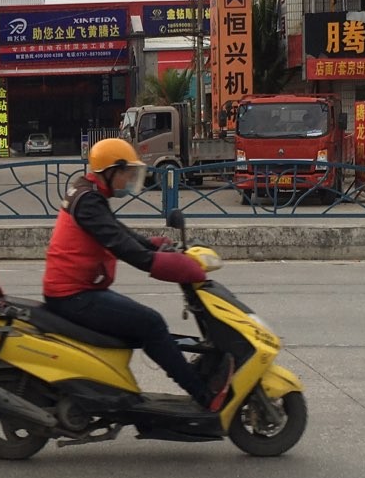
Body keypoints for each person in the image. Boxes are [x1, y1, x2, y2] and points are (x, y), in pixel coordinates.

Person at [42, 138, 233, 413]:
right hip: (73, 296)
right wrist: (173, 265)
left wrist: (153, 244)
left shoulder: (89, 192)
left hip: (78, 290)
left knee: (146, 326)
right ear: (111, 171)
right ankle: (203, 395)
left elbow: (117, 231)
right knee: (151, 324)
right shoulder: (89, 201)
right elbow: (126, 249)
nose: (131, 180)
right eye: (128, 173)